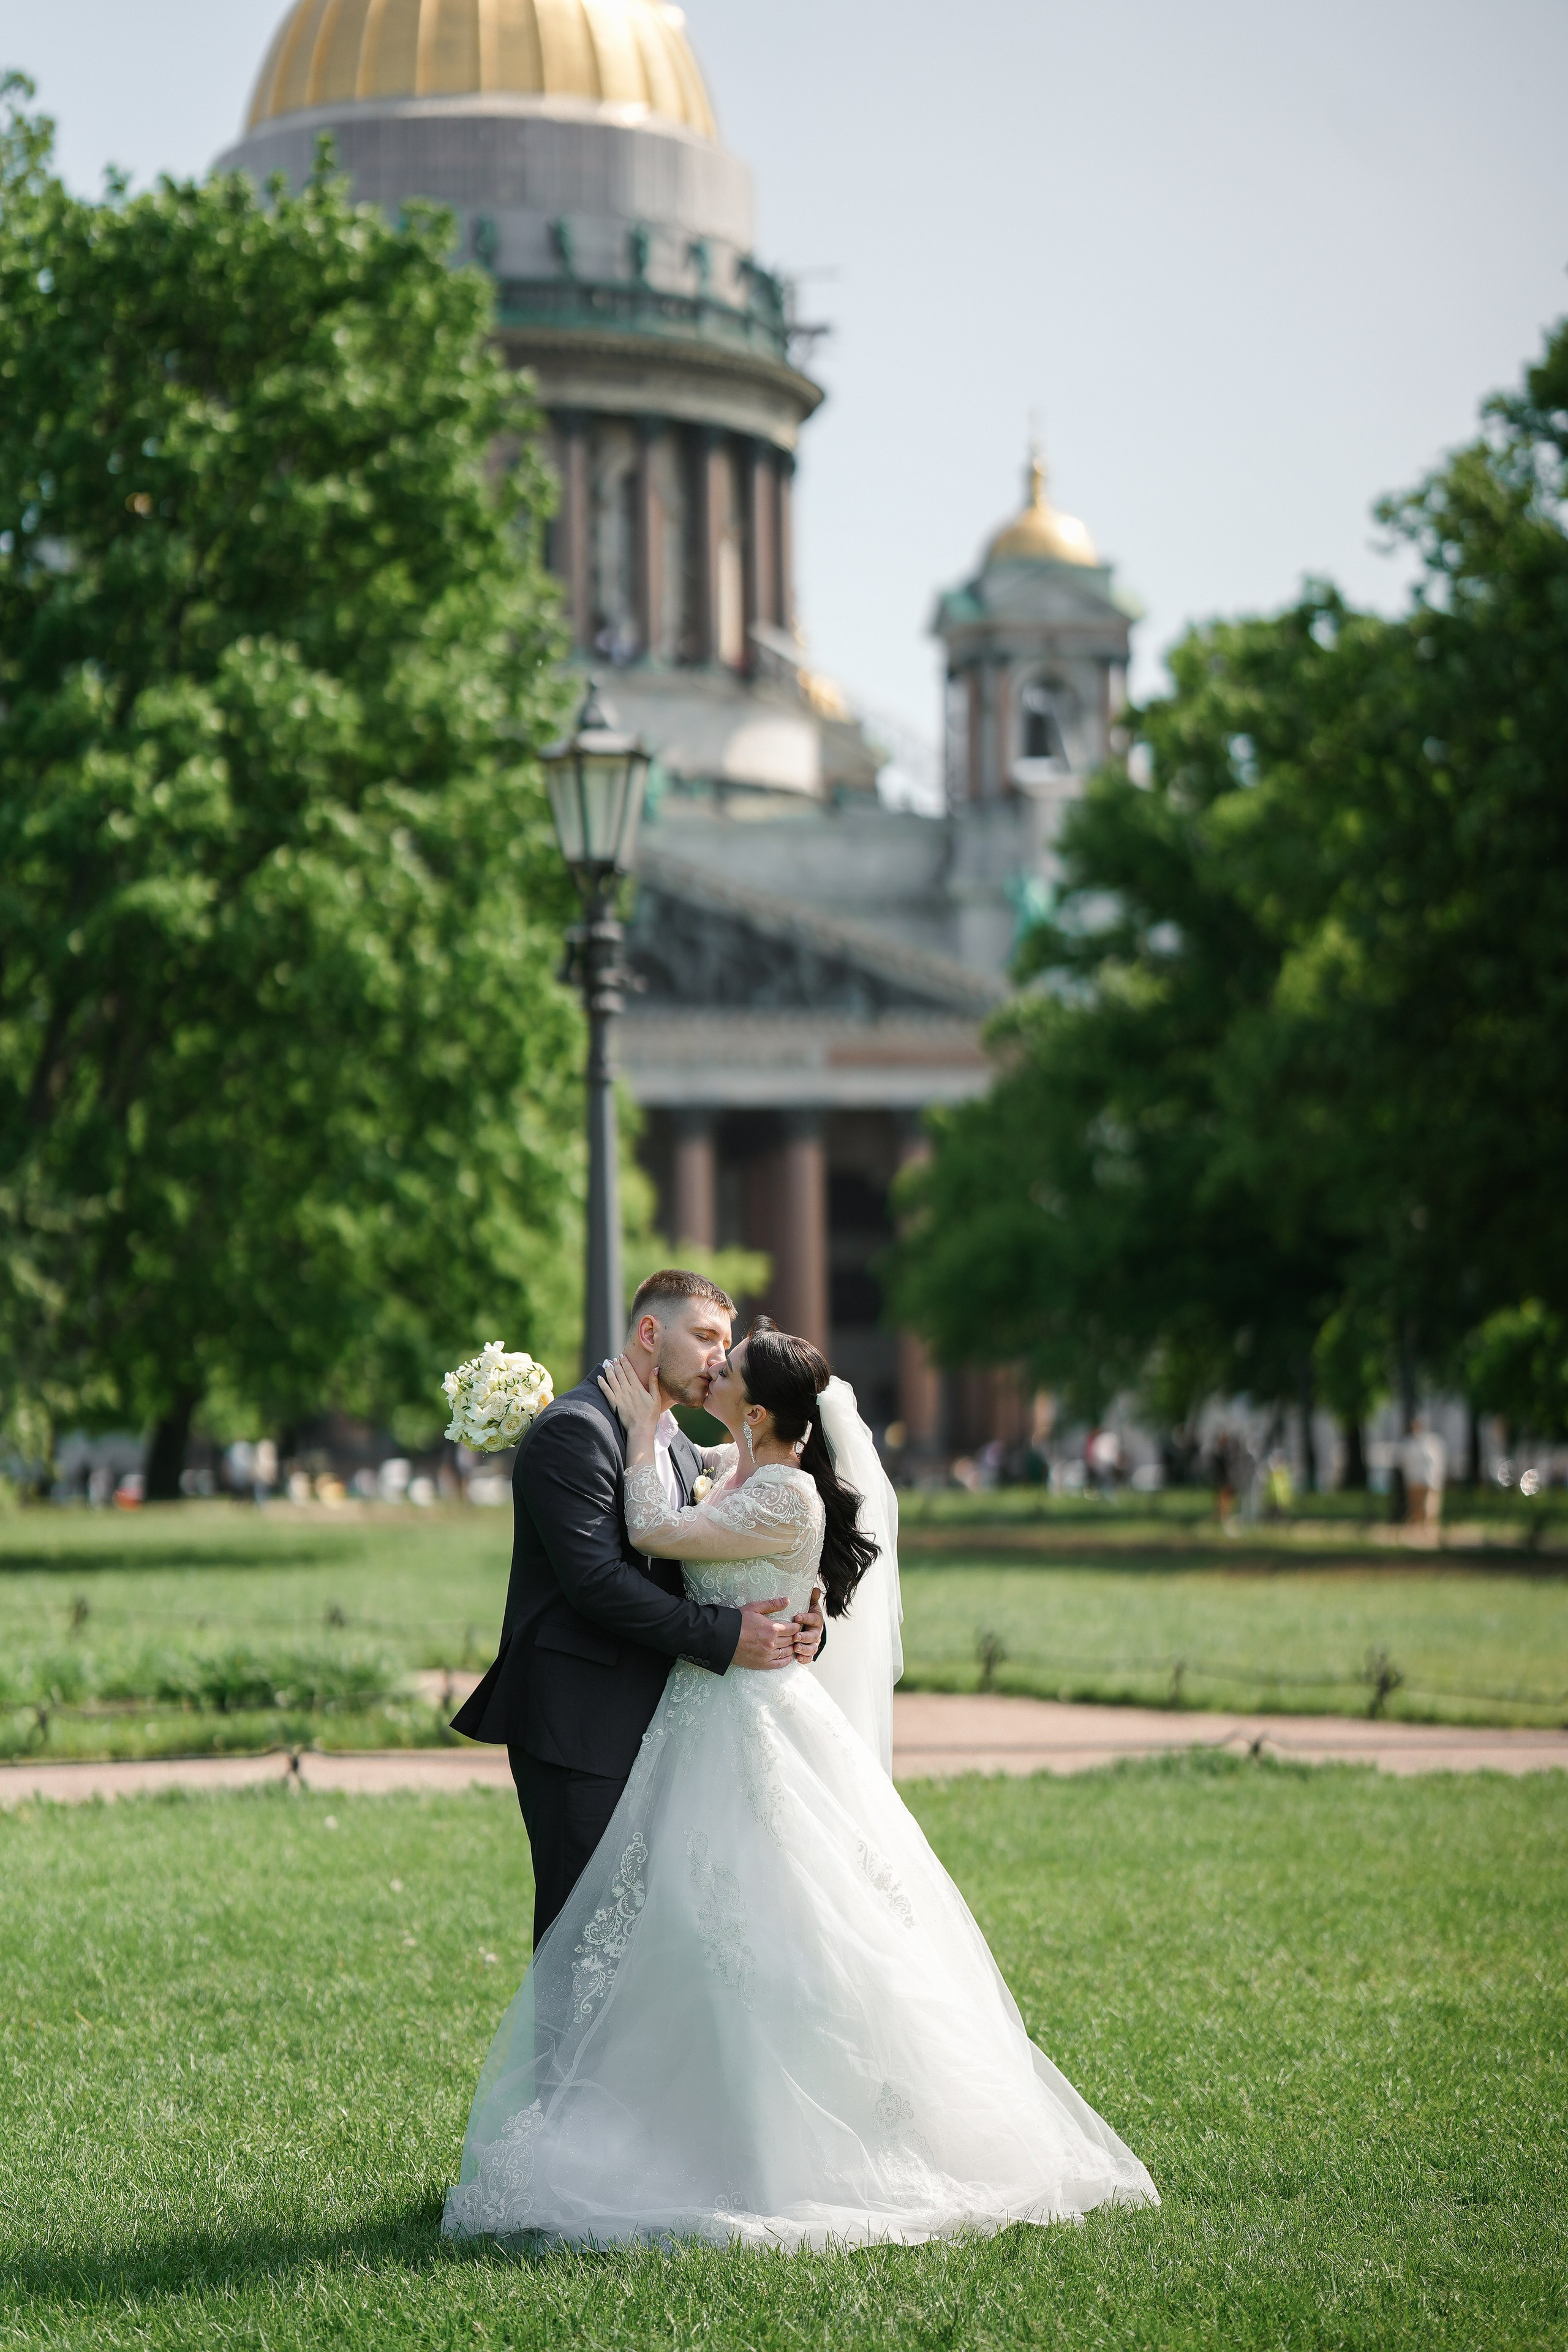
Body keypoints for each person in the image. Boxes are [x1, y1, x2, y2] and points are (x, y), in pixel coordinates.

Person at [443, 1319, 1158, 2251]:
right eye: (711, 1343)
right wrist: (640, 1436)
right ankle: (659, 2123)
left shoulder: (778, 1493)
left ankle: (798, 2147)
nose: (716, 1363)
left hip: (751, 1727)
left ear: (763, 1408)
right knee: (689, 1929)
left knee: (778, 1926)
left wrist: (630, 1434)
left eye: (728, 1359)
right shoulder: (728, 1467)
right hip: (700, 1721)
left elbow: (657, 1529)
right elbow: (689, 1529)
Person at [450, 1270, 825, 1951]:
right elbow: (596, 1581)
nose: (720, 1356)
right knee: (584, 1946)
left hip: (666, 1724)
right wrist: (727, 1636)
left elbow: (719, 1559)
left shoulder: (671, 1438)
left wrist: (801, 1618)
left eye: (728, 1342)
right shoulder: (576, 1430)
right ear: (650, 1332)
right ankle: (565, 2068)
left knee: (650, 1952)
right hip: (584, 1723)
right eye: (706, 1336)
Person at [1404, 1415, 1448, 1533]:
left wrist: (1437, 1478)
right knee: (1416, 1506)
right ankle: (1418, 1529)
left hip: (1429, 1480)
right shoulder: (1410, 1443)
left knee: (1429, 1506)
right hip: (1414, 1480)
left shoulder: (1432, 1443)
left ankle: (1429, 1530)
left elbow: (1438, 1462)